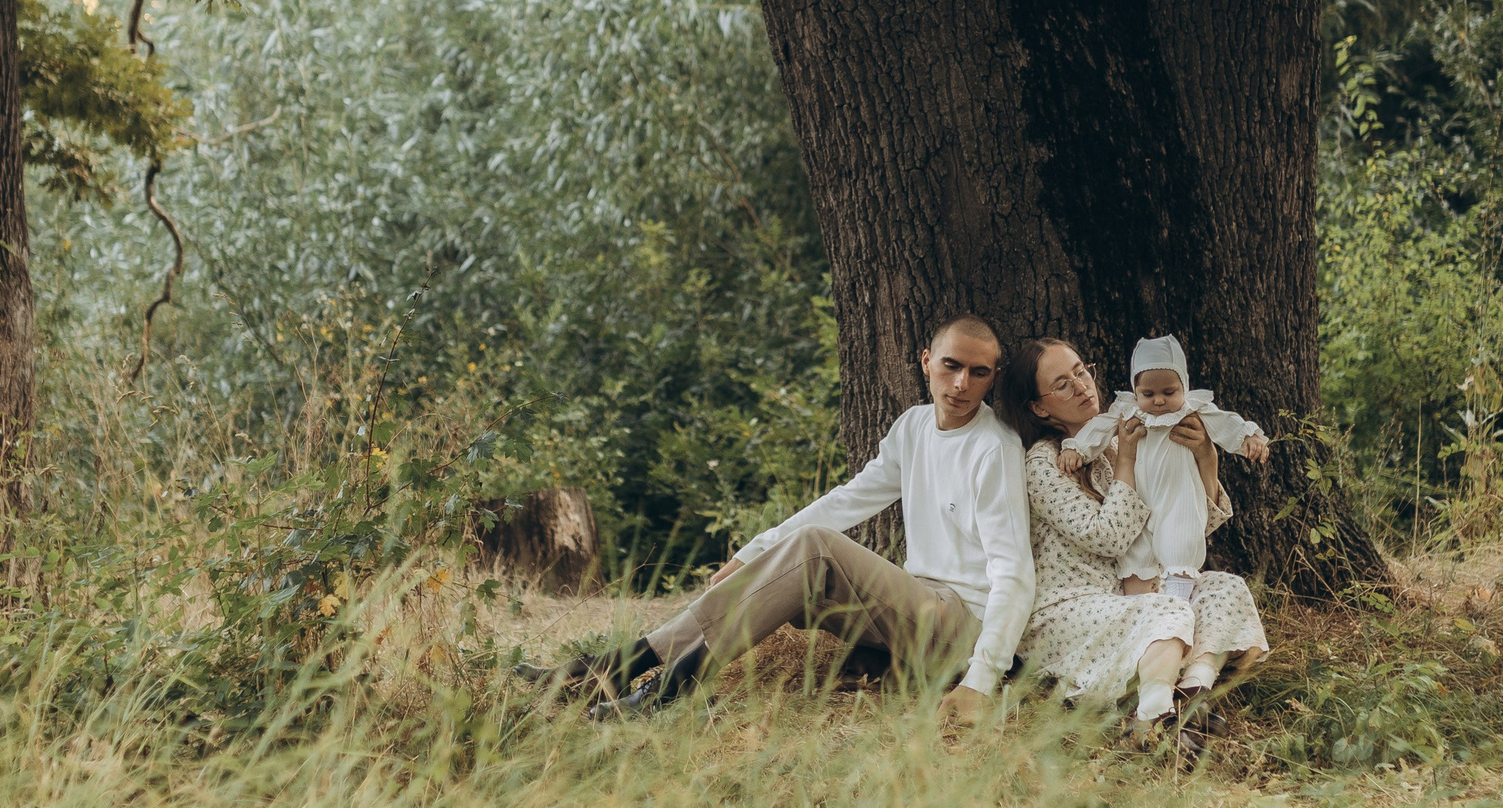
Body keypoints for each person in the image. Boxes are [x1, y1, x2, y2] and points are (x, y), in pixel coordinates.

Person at [520, 315, 1034, 731]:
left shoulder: (994, 449)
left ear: (993, 376)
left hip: (959, 627)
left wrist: (980, 680)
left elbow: (1014, 573)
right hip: (910, 611)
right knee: (798, 562)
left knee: (815, 548)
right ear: (926, 362)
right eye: (951, 366)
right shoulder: (914, 427)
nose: (962, 384)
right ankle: (620, 669)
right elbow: (847, 501)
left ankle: (665, 687)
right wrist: (753, 552)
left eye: (979, 373)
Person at [993, 337, 1269, 743]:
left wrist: (1206, 460)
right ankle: (1151, 718)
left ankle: (1192, 692)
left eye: (1081, 372)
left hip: (1135, 595)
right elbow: (1110, 538)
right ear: (1039, 408)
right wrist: (1126, 460)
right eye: (1063, 384)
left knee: (1225, 588)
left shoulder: (1130, 433)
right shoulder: (1045, 463)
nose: (1082, 386)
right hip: (1071, 610)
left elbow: (1188, 527)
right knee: (1168, 610)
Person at [1062, 333, 1262, 601]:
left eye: (1169, 392)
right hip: (1139, 500)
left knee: (1181, 539)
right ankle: (1141, 607)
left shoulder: (1192, 410)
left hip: (1178, 496)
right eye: (1148, 394)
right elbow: (1098, 428)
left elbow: (1226, 423)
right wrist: (1077, 448)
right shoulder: (1128, 411)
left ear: (1184, 387)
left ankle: (1179, 601)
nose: (1158, 401)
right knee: (1137, 551)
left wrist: (1248, 438)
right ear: (1135, 391)